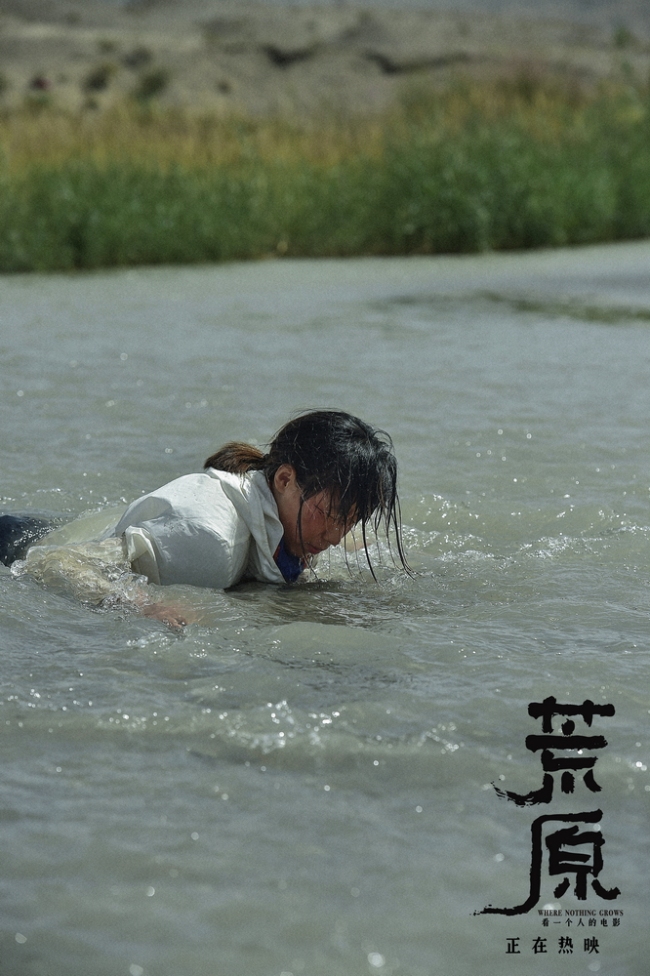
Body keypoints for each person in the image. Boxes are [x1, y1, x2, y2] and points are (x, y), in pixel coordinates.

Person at [2, 411, 409, 623]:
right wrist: (141, 605)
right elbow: (54, 562)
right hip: (19, 541)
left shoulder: (281, 515)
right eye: (331, 516)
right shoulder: (210, 539)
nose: (336, 537)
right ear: (285, 479)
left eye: (349, 522)